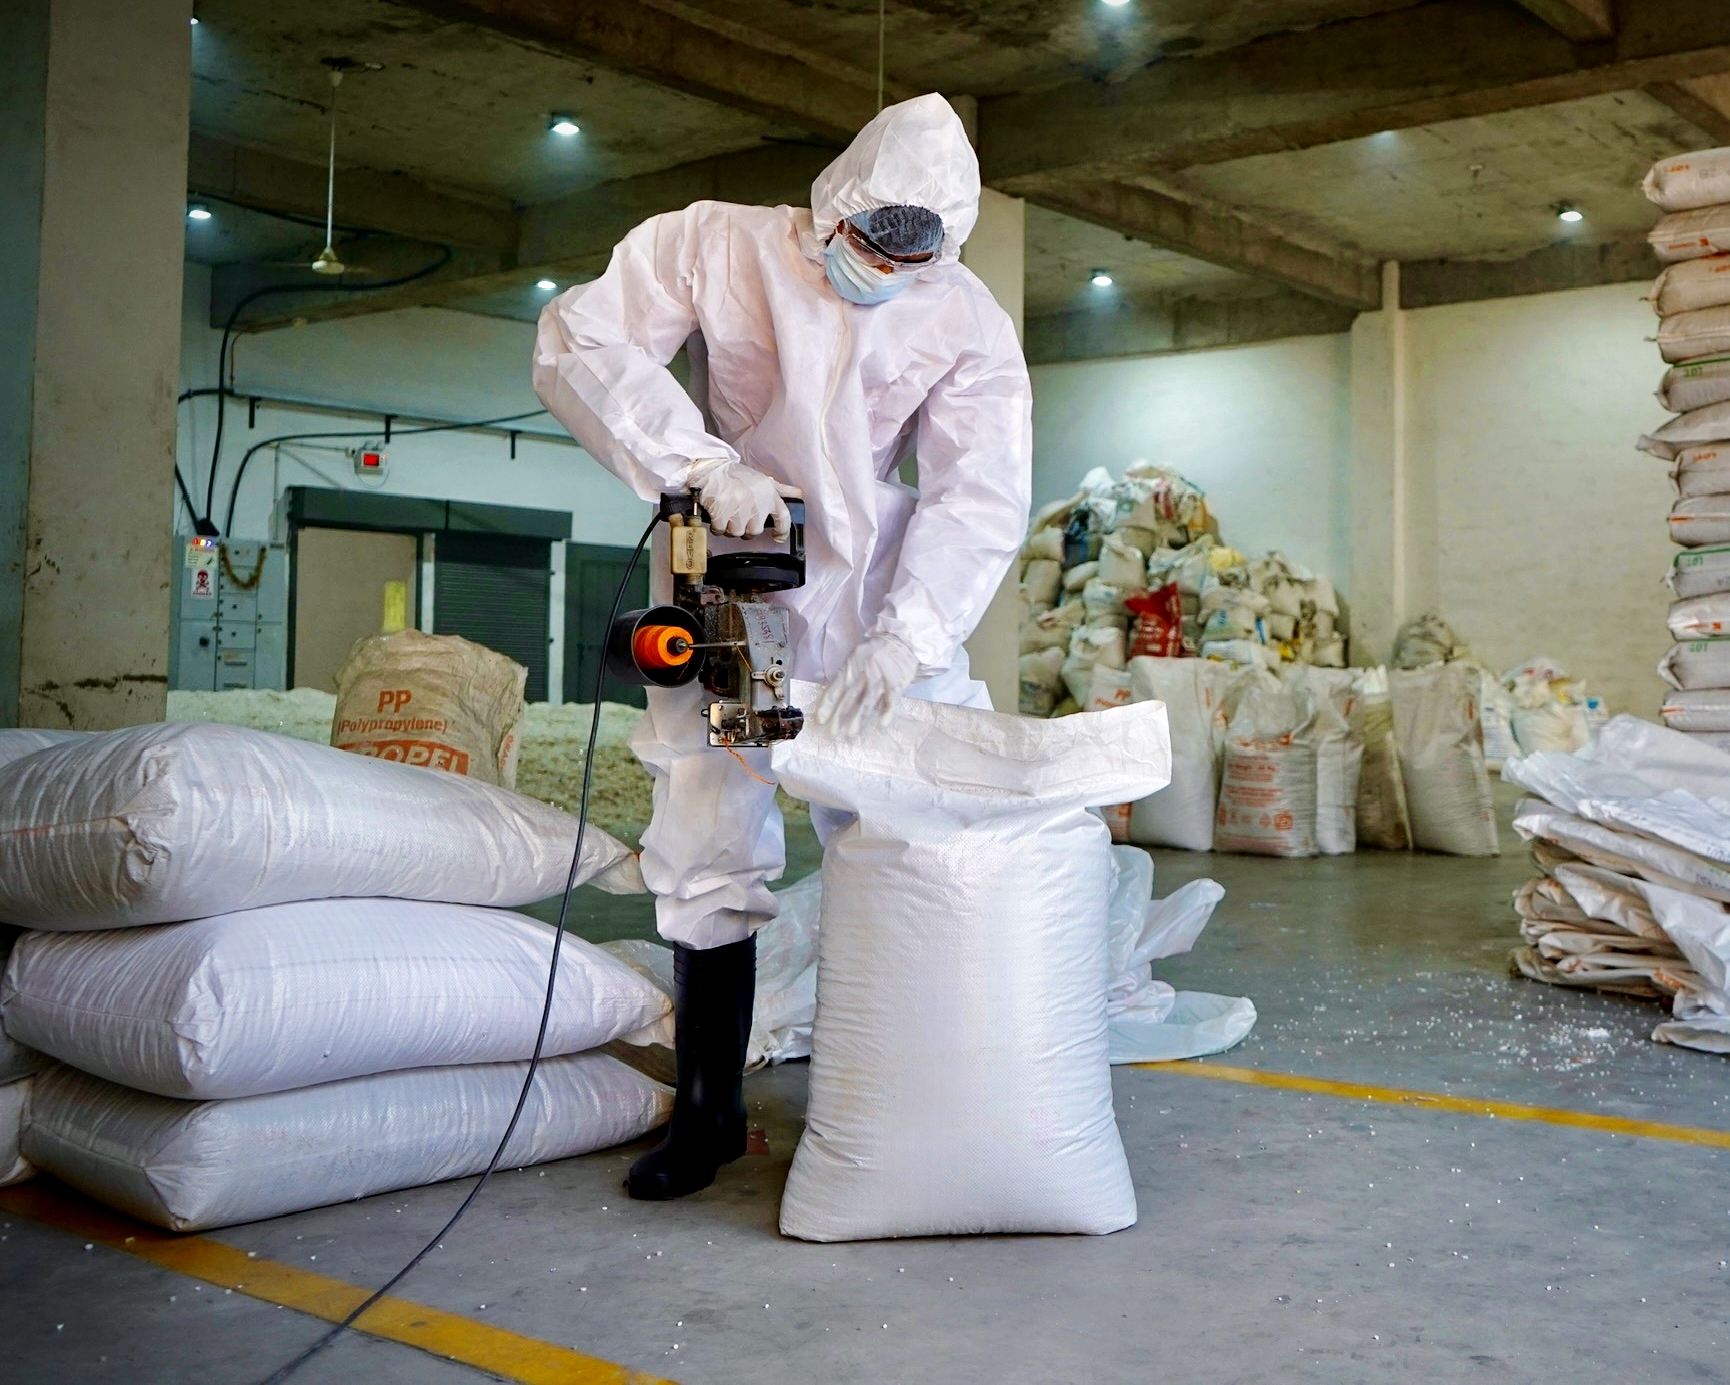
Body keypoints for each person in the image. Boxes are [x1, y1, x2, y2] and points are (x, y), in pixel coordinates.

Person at [532, 93, 1032, 1200]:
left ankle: (900, 1095)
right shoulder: (717, 242)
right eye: (868, 239)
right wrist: (701, 466)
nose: (882, 266)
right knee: (708, 826)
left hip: (875, 597)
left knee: (913, 831)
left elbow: (978, 488)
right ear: (834, 203)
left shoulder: (962, 313)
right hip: (731, 576)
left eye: (913, 252)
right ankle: (708, 1109)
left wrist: (910, 636)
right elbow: (580, 337)